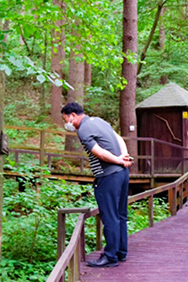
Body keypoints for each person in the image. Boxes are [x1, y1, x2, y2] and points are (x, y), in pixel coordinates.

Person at [61, 102, 132, 268]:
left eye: (66, 119)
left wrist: (118, 159)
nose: (67, 124)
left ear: (72, 115)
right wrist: (124, 156)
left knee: (109, 216)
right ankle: (121, 252)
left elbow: (99, 153)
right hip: (123, 173)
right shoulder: (99, 121)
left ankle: (110, 256)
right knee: (121, 214)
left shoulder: (83, 130)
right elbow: (119, 138)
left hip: (108, 176)